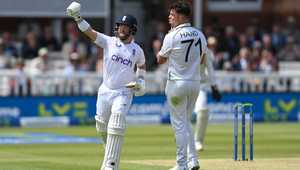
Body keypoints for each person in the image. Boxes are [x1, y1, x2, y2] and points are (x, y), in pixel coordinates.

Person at [66, 2, 146, 170]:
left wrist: (141, 81)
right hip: (105, 90)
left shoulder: (137, 50)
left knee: (116, 122)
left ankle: (110, 165)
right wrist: (77, 17)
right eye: (120, 26)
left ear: (132, 29)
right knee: (101, 125)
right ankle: (109, 152)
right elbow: (90, 32)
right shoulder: (109, 42)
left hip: (124, 92)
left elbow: (142, 66)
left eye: (125, 27)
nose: (121, 29)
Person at [156, 2, 207, 170]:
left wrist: (160, 52)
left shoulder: (172, 35)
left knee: (179, 125)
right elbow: (202, 58)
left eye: (172, 14)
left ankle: (181, 164)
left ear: (182, 16)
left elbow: (160, 59)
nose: (169, 17)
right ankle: (193, 161)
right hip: (194, 84)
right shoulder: (200, 34)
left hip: (177, 84)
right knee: (185, 123)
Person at [194, 48, 222, 152]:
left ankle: (198, 141)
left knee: (203, 110)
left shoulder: (205, 50)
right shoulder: (181, 45)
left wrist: (214, 86)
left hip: (200, 85)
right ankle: (182, 137)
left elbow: (210, 68)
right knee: (183, 115)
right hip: (184, 83)